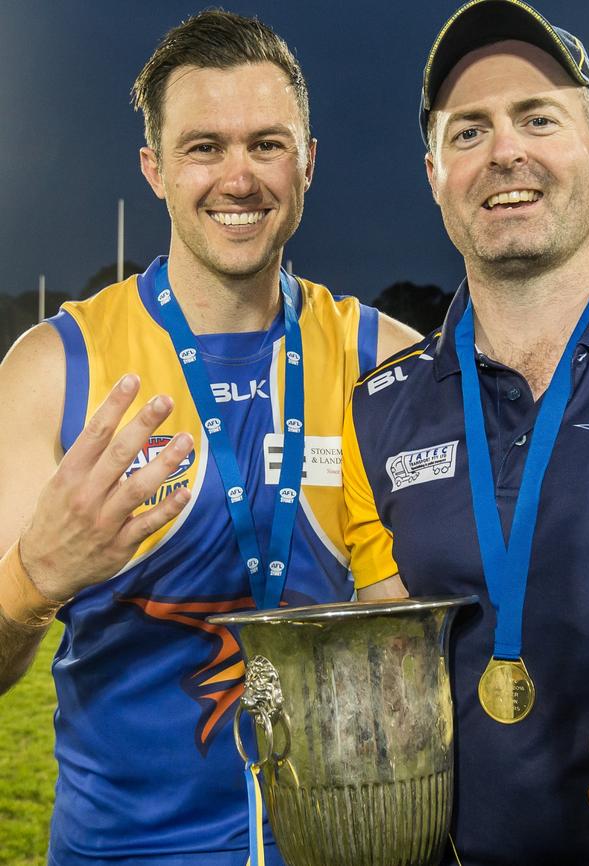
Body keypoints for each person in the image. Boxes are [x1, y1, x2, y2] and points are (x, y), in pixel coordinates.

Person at [0, 10, 418, 866]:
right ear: (154, 168)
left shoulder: (387, 362)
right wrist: (34, 578)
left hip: (344, 848)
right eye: (203, 147)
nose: (238, 177)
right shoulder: (54, 371)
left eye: (267, 144)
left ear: (308, 162)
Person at [343, 1, 589, 864]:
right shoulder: (380, 409)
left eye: (538, 117)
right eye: (469, 130)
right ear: (435, 172)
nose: (505, 151)